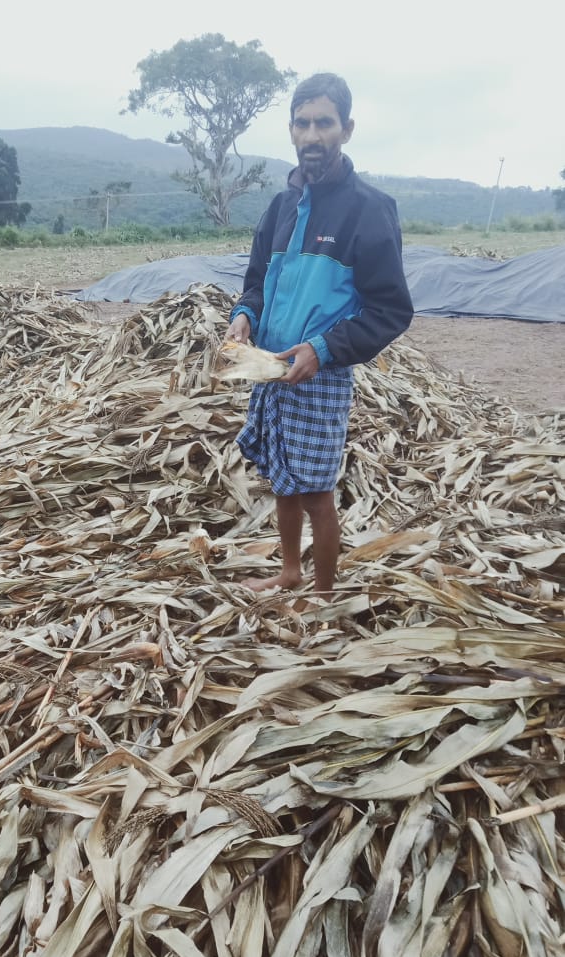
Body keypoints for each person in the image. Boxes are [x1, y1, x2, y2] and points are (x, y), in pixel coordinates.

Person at [225, 72, 413, 594]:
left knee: (316, 495)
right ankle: (289, 572)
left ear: (346, 129)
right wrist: (245, 315)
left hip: (320, 375)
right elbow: (258, 280)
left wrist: (324, 348)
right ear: (291, 131)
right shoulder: (282, 207)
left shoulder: (368, 210)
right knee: (282, 483)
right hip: (269, 366)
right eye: (303, 124)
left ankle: (323, 593)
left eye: (324, 123)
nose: (313, 134)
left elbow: (391, 309)